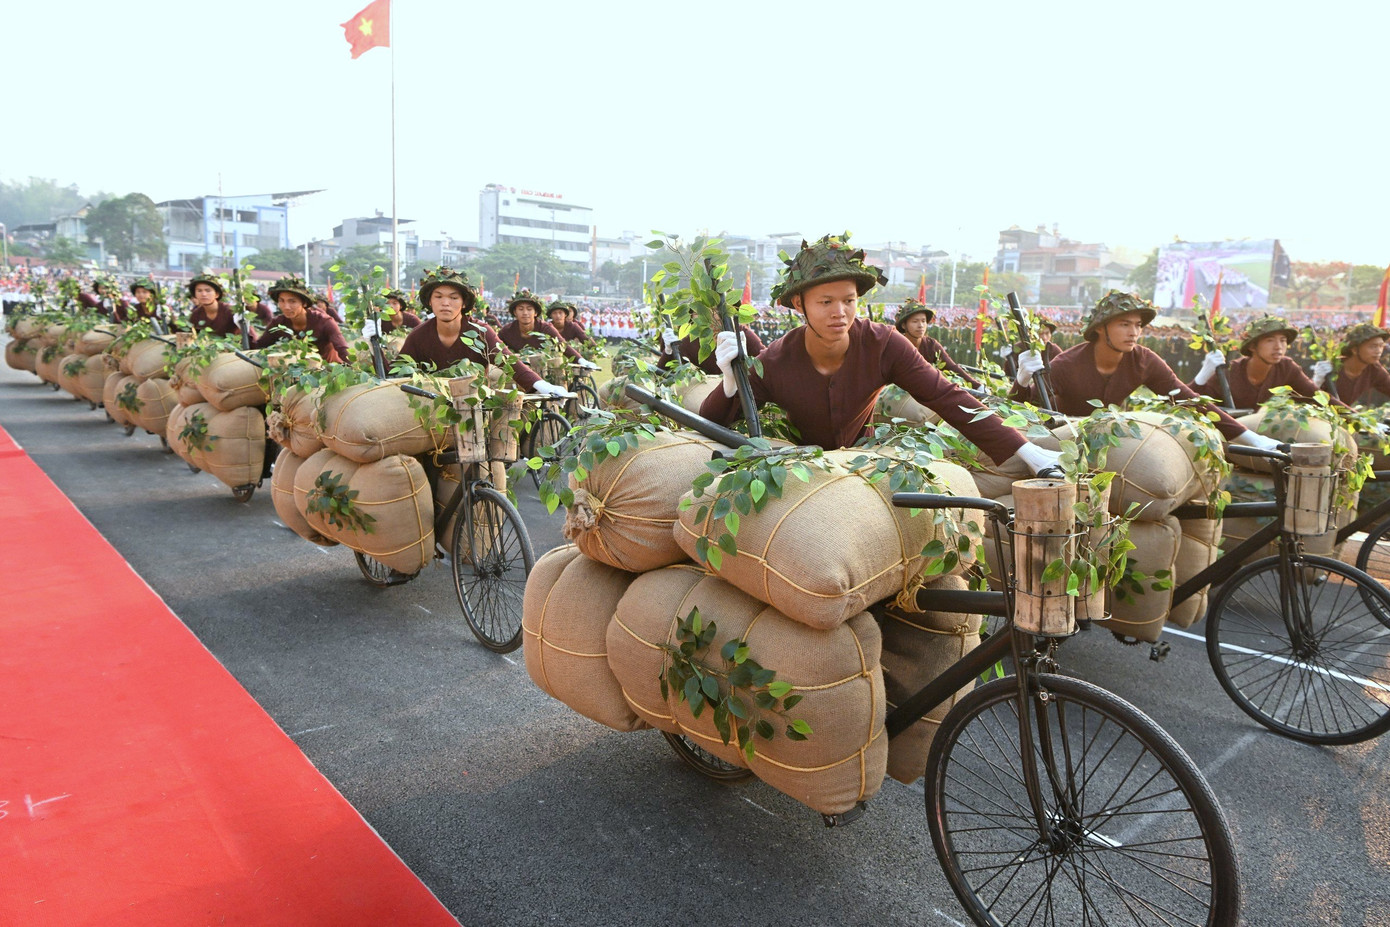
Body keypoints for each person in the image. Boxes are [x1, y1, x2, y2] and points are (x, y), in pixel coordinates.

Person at [698, 234, 1062, 473]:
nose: (839, 312)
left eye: (849, 300)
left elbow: (946, 396)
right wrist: (730, 379)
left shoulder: (884, 344)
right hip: (799, 468)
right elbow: (714, 422)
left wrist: (1026, 451)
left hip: (868, 459)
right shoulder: (775, 361)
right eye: (825, 302)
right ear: (799, 304)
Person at [1012, 291, 1281, 450]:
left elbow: (1189, 401)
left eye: (1138, 325)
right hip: (1069, 444)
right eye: (1124, 324)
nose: (1134, 333)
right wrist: (1022, 380)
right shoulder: (1066, 365)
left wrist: (1254, 440)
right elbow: (1022, 415)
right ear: (1099, 329)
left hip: (1115, 441)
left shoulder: (1144, 360)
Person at [397, 268, 569, 396]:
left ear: (464, 303)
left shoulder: (480, 332)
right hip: (431, 406)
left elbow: (509, 362)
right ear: (430, 301)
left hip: (476, 405)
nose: (445, 303)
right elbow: (395, 373)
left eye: (453, 297)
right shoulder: (418, 336)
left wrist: (542, 385)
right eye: (439, 297)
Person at [1189, 315, 1343, 409]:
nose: (1278, 347)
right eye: (1270, 340)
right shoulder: (1230, 371)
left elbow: (1315, 398)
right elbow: (1191, 402)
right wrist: (1202, 377)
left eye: (1283, 341)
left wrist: (1358, 418)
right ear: (1252, 346)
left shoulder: (1287, 368)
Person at [250, 275, 348, 362]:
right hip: (294, 375)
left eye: (292, 301)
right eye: (282, 301)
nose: (286, 306)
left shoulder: (324, 322)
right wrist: (246, 328)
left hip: (328, 374)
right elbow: (259, 347)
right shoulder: (278, 323)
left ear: (304, 303)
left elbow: (343, 350)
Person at [893, 297, 979, 388]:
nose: (920, 326)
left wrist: (977, 386)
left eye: (923, 321)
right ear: (903, 325)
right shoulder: (896, 345)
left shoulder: (931, 345)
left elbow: (952, 367)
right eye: (915, 321)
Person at [1323, 322, 1390, 406]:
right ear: (1354, 350)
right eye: (1372, 346)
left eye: (1381, 346)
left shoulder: (1374, 369)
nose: (1378, 351)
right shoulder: (1332, 368)